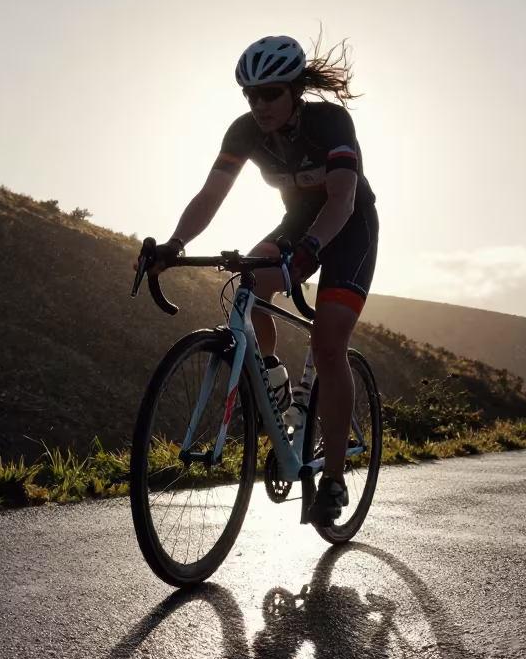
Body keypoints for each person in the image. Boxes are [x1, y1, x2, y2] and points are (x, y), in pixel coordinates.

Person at [145, 34, 379, 526]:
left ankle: (333, 479)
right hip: (296, 223)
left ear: (295, 90)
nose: (260, 105)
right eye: (250, 95)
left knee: (329, 345)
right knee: (247, 284)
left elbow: (340, 198)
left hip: (349, 226)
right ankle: (274, 381)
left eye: (270, 93)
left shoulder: (331, 123)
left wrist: (314, 249)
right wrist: (173, 244)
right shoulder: (244, 132)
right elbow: (211, 194)